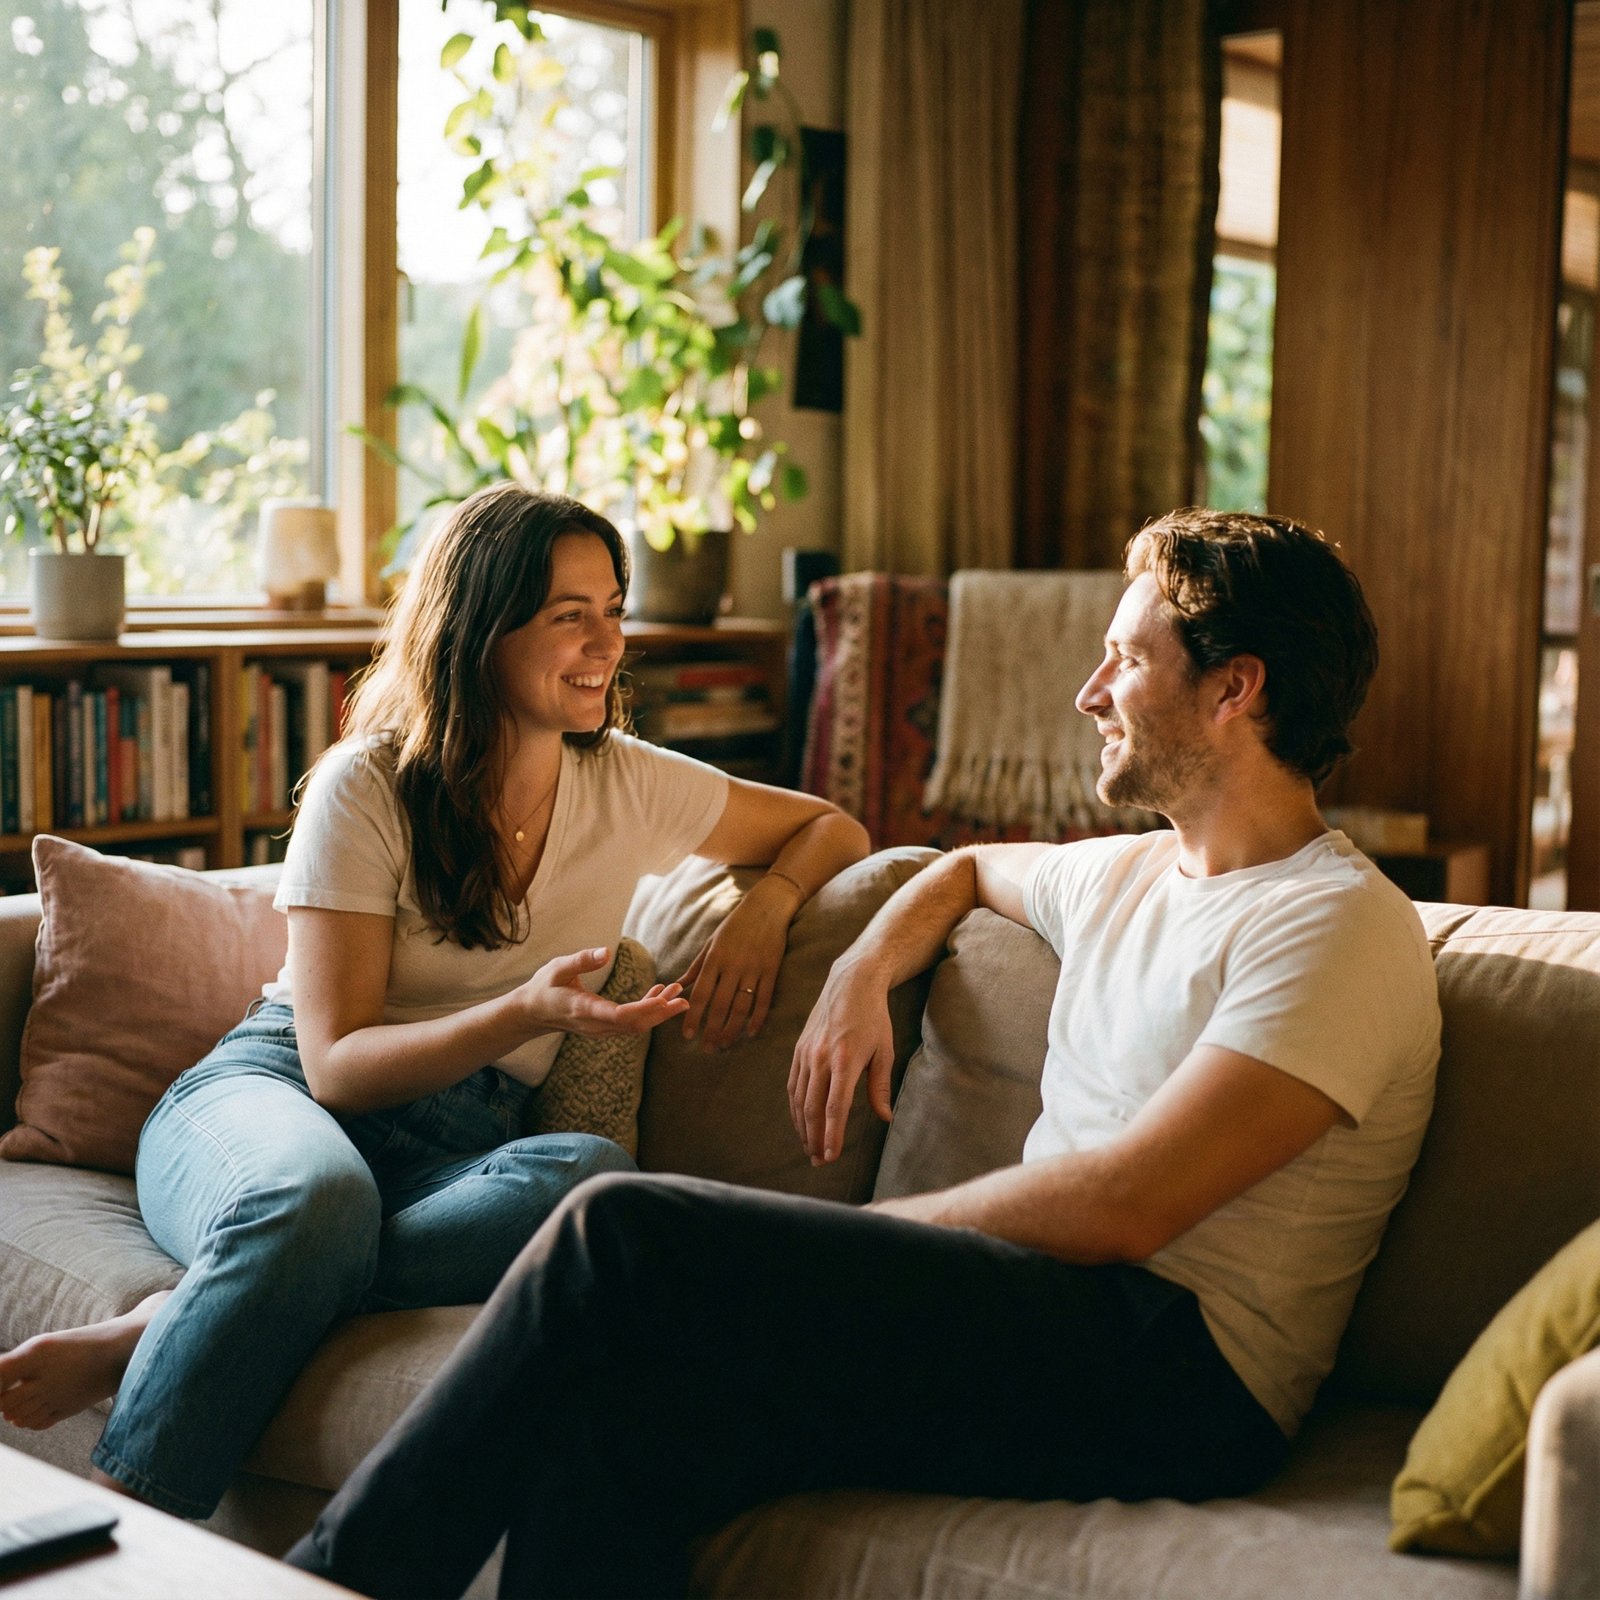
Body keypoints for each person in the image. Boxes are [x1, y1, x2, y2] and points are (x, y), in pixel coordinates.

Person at [282, 508, 1443, 1600]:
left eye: (1125, 661)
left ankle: (316, 1584)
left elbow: (1125, 1209)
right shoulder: (1133, 872)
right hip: (1049, 1311)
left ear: (1235, 687)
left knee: (619, 1233)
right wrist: (860, 969)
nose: (1088, 693)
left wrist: (834, 1244)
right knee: (618, 1423)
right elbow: (961, 865)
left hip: (1176, 1365)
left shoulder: (1333, 924)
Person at [0, 483, 869, 1521]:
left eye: (614, 608)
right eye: (570, 615)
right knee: (318, 1196)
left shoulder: (630, 782)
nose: (608, 642)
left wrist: (765, 906)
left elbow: (830, 828)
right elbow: (335, 1064)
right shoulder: (365, 785)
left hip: (454, 1147)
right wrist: (524, 1013)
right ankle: (134, 1532)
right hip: (274, 1100)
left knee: (591, 1182)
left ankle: (164, 1324)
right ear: (481, 628)